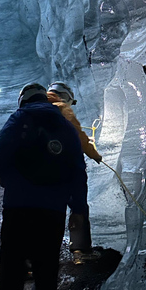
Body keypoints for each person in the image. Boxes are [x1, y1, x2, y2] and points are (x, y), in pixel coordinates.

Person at [0, 83, 88, 290]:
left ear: (23, 100)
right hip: (53, 209)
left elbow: (0, 154)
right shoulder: (64, 125)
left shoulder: (18, 119)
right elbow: (77, 170)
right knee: (46, 270)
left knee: (11, 269)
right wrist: (78, 209)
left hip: (18, 205)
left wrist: (7, 179)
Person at [46, 81, 102, 265]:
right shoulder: (63, 108)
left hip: (44, 169)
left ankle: (36, 259)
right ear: (66, 97)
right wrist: (94, 154)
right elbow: (78, 136)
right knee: (78, 207)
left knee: (46, 211)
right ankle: (81, 250)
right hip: (70, 167)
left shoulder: (33, 110)